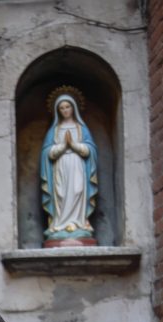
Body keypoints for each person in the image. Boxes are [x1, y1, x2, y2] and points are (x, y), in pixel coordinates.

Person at [40, 92, 98, 245]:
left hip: (77, 165)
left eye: (68, 107)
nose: (65, 110)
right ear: (58, 111)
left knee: (78, 190)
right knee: (61, 194)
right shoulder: (54, 130)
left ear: (74, 108)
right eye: (62, 108)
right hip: (60, 166)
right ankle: (60, 225)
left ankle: (79, 223)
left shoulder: (81, 128)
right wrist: (63, 147)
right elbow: (47, 153)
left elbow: (91, 150)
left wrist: (74, 145)